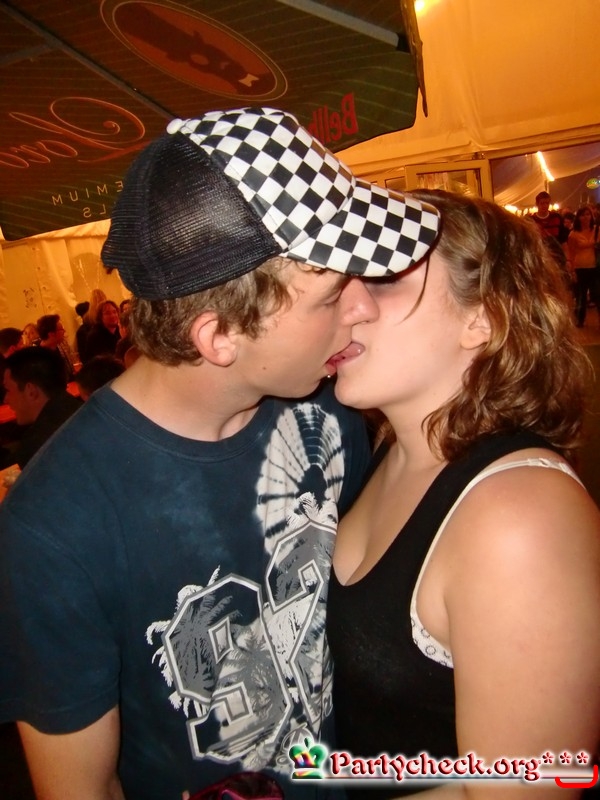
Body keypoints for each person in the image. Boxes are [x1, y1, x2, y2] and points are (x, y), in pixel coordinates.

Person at [0, 107, 440, 800]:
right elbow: (79, 789)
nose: (363, 305)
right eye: (331, 293)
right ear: (219, 337)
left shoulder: (327, 412)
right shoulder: (54, 528)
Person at [327, 189, 600, 799]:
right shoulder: (387, 449)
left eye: (385, 279)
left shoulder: (520, 515)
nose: (347, 305)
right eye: (345, 279)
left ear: (484, 318)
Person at [0, 346, 82, 470]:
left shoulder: (38, 444)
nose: (6, 399)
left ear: (31, 391)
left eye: (8, 390)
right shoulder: (80, 410)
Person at [568, 204, 599, 327]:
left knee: (597, 294)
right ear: (578, 218)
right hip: (580, 267)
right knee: (581, 296)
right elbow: (571, 253)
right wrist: (572, 270)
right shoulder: (573, 234)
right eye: (582, 215)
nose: (586, 217)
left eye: (588, 214)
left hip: (595, 267)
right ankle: (580, 320)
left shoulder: (597, 230)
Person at [37, 313, 77, 380]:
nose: (64, 331)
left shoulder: (60, 347)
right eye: (61, 329)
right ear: (51, 334)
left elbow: (70, 372)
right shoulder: (41, 358)